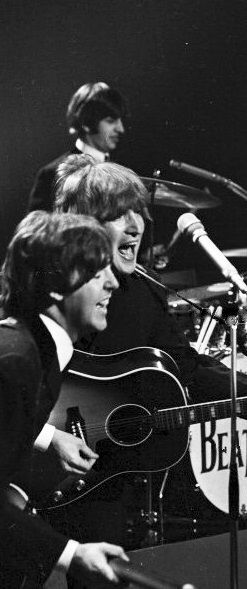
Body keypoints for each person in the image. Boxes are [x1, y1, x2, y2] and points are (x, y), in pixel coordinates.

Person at [52, 154, 247, 546]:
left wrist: (242, 384)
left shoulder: (144, 289)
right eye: (119, 214)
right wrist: (48, 437)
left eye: (138, 212)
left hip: (103, 482)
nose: (135, 225)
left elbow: (186, 367)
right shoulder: (42, 286)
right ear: (82, 227)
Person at [0, 210, 129, 587]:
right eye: (97, 272)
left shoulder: (36, 348)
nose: (113, 284)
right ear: (55, 285)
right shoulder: (15, 362)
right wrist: (71, 554)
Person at [28, 82, 126, 212]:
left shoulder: (122, 172)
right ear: (87, 123)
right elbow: (38, 229)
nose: (121, 129)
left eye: (120, 121)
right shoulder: (52, 174)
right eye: (111, 121)